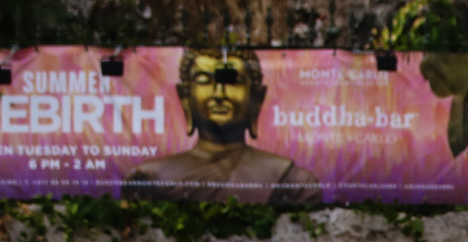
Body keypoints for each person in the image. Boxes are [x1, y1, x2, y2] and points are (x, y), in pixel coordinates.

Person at [122, 48, 320, 205]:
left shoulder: (292, 181)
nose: (219, 94)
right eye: (204, 81)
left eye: (232, 82)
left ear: (256, 98)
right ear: (185, 97)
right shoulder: (149, 178)